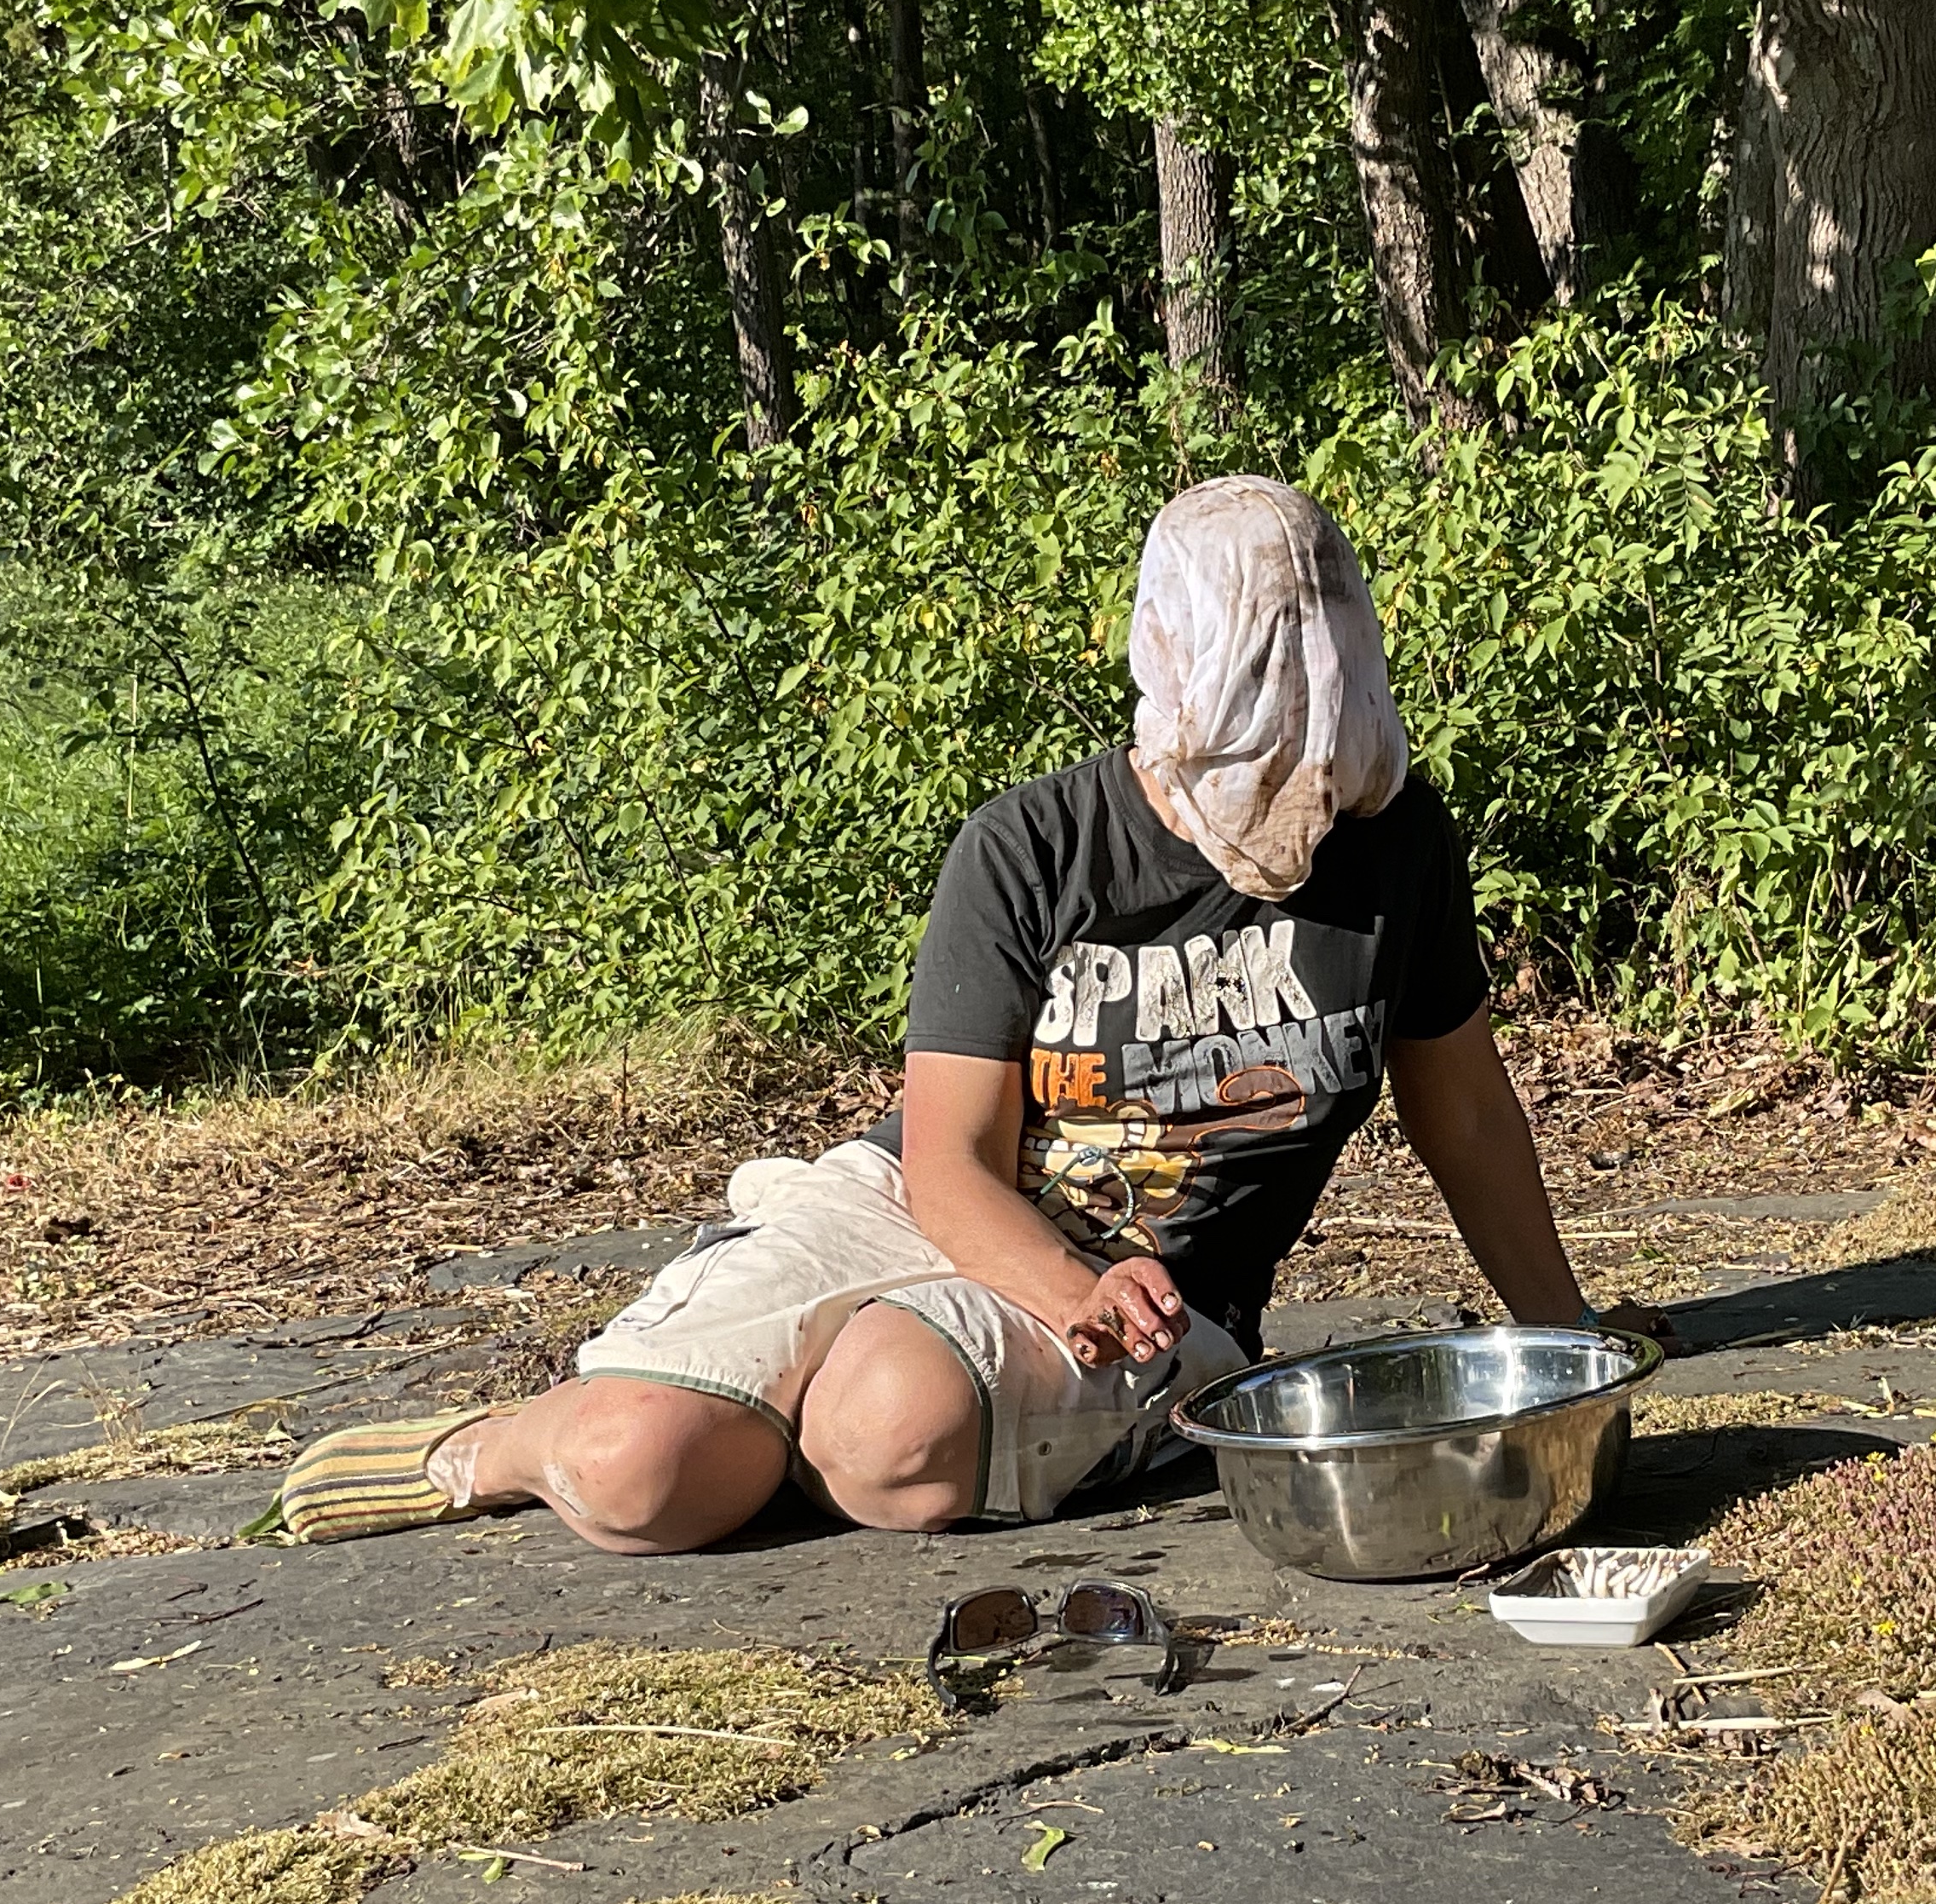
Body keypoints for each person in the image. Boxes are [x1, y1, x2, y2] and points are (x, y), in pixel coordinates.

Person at [263, 476, 1632, 1554]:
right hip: (929, 1207)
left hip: (1166, 1296)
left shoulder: (1395, 845)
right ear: (1168, 660)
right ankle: (494, 1449)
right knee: (634, 1477)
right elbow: (946, 1163)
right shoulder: (1033, 844)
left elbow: (1463, 1116)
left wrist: (1569, 1348)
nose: (1299, 749)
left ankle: (810, 1414)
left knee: (893, 1426)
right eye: (1260, 706)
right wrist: (1060, 1284)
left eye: (1320, 708)